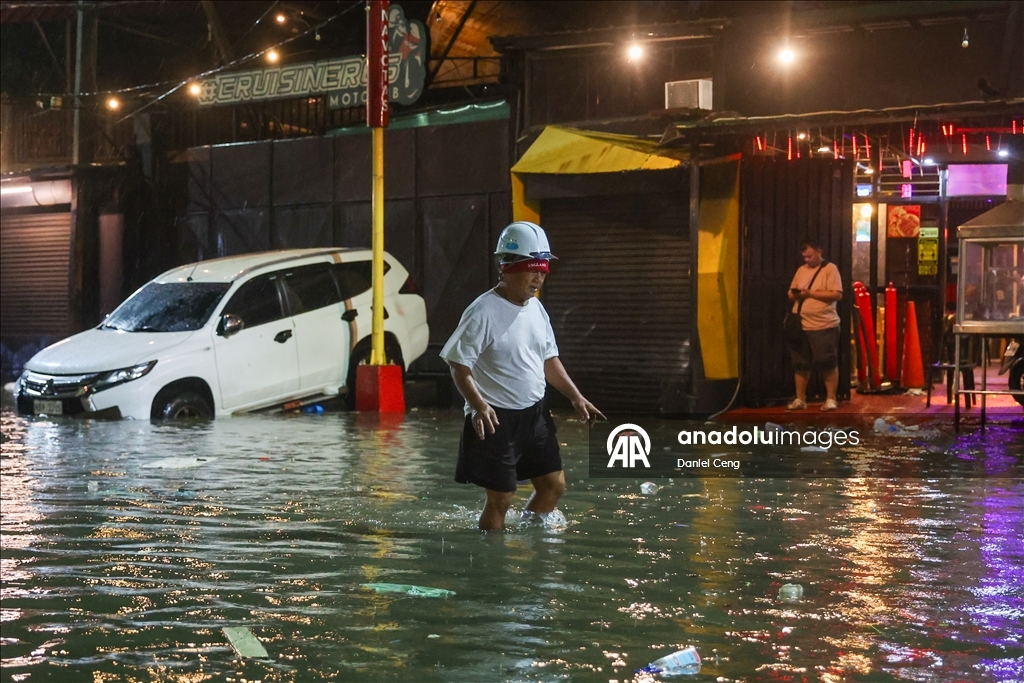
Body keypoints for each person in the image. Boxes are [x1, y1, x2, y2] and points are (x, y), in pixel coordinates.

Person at [440, 221, 605, 531]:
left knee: (554, 486)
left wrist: (575, 396)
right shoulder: (483, 311)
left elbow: (548, 360)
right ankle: (494, 564)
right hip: (495, 417)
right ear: (507, 268)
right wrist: (478, 404)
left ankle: (528, 538)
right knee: (501, 499)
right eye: (533, 269)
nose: (539, 277)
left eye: (543, 269)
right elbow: (458, 365)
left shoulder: (536, 309)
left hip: (534, 415)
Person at [786, 238, 843, 411]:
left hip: (823, 325)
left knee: (827, 362)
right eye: (804, 257)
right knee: (800, 363)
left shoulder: (830, 269)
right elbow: (791, 292)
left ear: (819, 251)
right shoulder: (801, 270)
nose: (807, 260)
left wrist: (810, 293)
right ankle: (800, 399)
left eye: (810, 256)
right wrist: (796, 294)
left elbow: (837, 294)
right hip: (801, 324)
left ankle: (831, 398)